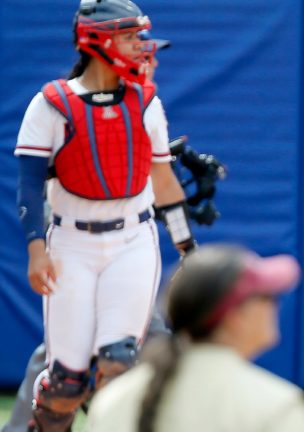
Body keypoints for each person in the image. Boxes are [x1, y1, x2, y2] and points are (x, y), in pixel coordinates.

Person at [13, 0, 198, 430]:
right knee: (65, 383)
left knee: (120, 362)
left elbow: (164, 182)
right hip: (70, 242)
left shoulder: (145, 102)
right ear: (99, 41)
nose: (140, 47)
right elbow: (28, 184)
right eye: (130, 37)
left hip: (132, 240)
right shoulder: (51, 104)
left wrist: (188, 247)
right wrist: (35, 250)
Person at [86, 244, 304, 432]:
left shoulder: (114, 400)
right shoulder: (275, 405)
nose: (275, 306)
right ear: (236, 317)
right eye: (267, 298)